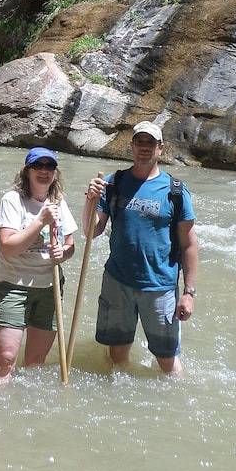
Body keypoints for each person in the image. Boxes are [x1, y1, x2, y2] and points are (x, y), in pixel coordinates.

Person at [83, 121, 199, 375]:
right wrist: (90, 201)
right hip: (117, 282)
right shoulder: (114, 183)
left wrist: (189, 293)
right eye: (140, 142)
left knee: (167, 361)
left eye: (150, 143)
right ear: (132, 146)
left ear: (160, 148)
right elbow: (92, 230)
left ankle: (174, 398)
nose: (144, 148)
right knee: (116, 357)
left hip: (159, 287)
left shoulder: (175, 191)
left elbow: (189, 244)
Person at [0, 147, 77, 384]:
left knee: (36, 361)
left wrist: (64, 253)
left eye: (50, 166)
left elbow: (70, 245)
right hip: (13, 286)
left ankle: (26, 402)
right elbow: (7, 247)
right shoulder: (12, 200)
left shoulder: (58, 203)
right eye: (38, 166)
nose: (44, 171)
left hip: (49, 289)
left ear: (55, 173)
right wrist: (40, 221)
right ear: (27, 171)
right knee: (5, 359)